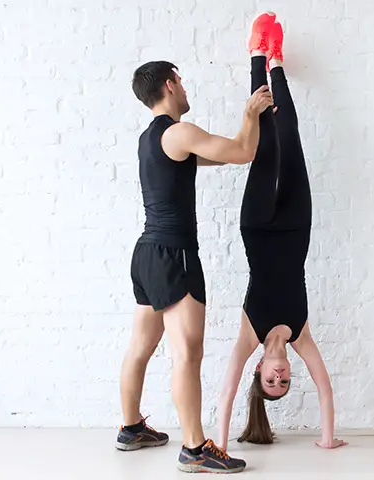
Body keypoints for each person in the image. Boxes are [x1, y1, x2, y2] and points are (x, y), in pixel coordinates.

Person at [116, 59, 274, 474]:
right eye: (181, 83)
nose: (185, 90)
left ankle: (131, 428)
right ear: (170, 85)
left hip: (147, 254)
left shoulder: (150, 140)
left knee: (141, 348)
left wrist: (238, 138)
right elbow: (243, 152)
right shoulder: (179, 132)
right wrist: (250, 114)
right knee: (187, 354)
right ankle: (194, 448)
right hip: (174, 254)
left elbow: (220, 158)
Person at [216, 13, 348, 451]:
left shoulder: (248, 335)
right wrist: (327, 441)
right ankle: (275, 61)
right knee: (288, 133)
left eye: (270, 382)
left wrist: (218, 444)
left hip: (257, 226)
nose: (279, 376)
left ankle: (257, 52)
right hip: (296, 225)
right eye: (284, 381)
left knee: (266, 144)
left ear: (259, 372)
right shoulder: (302, 333)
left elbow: (226, 392)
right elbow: (326, 389)